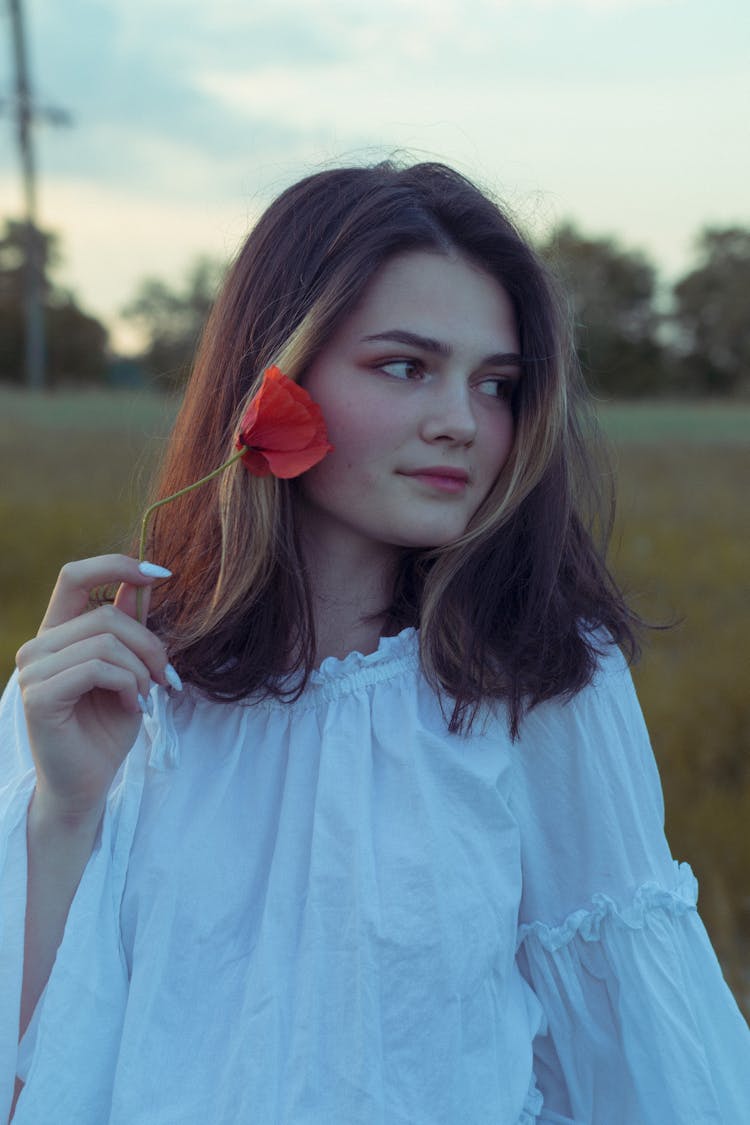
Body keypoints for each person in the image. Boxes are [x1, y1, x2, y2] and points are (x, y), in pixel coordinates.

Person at [1, 162, 748, 1125]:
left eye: (497, 384)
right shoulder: (121, 678)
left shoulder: (537, 677)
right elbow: (37, 1083)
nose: (461, 423)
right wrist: (66, 810)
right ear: (276, 368)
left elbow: (636, 1054)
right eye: (406, 365)